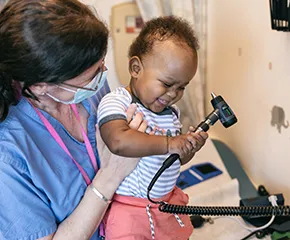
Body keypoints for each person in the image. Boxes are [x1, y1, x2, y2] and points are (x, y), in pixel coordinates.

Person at [0, 0, 150, 239]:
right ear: (40, 86)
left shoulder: (91, 92)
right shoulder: (9, 157)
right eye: (91, 76)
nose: (103, 75)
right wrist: (110, 177)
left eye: (102, 63)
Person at [97, 16, 208, 239]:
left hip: (166, 204)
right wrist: (169, 143)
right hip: (130, 210)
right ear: (136, 68)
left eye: (181, 87)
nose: (173, 94)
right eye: (167, 84)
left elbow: (170, 161)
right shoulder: (117, 101)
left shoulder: (171, 114)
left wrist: (187, 148)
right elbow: (118, 141)